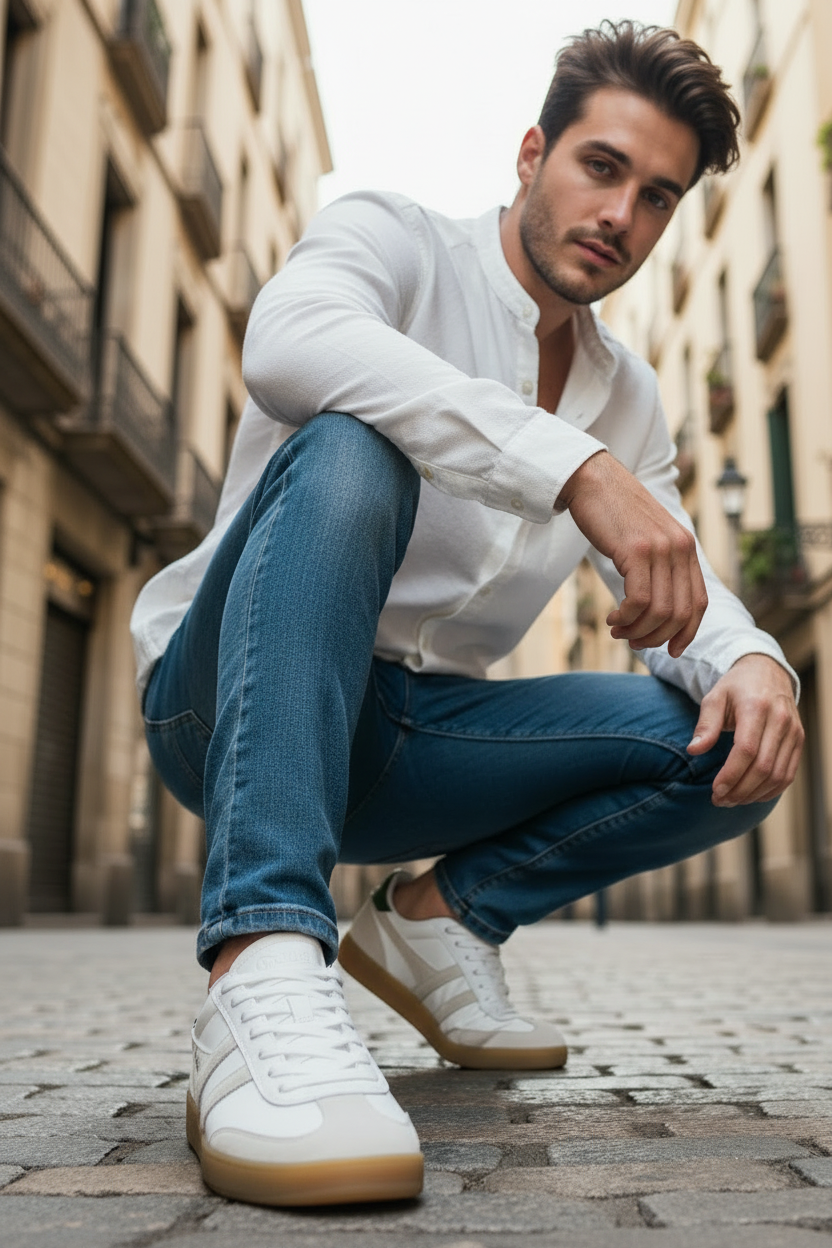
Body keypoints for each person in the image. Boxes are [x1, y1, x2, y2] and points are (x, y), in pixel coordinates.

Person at [131, 21, 804, 1208]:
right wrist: (574, 470)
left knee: (723, 734)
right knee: (352, 447)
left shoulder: (630, 395)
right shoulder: (395, 239)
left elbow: (677, 576)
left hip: (407, 739)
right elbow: (290, 343)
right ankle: (262, 963)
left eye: (657, 198)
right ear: (532, 152)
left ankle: (437, 921)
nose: (620, 217)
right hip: (225, 701)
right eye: (600, 168)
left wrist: (753, 659)